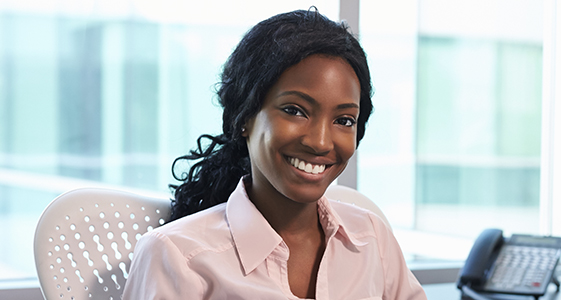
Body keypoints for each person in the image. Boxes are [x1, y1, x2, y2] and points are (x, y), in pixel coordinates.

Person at [123, 9, 427, 299]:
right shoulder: (178, 257)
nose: (321, 142)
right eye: (295, 111)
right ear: (244, 118)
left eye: (343, 120)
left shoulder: (371, 237)